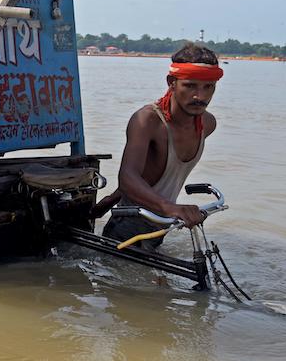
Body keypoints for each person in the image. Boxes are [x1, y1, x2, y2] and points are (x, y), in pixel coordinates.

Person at [95, 43, 223, 248]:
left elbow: (150, 173)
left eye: (208, 87)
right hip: (129, 226)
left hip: (162, 225)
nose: (200, 96)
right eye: (190, 86)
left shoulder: (208, 124)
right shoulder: (147, 121)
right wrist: (170, 207)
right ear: (172, 82)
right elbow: (128, 176)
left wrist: (107, 201)